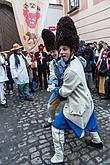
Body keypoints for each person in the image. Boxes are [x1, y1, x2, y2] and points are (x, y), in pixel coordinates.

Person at [44, 16, 103, 165]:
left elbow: (64, 92)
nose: (61, 52)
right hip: (86, 102)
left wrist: (55, 88)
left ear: (72, 49)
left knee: (56, 127)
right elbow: (54, 75)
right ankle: (97, 141)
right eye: (60, 49)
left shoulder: (72, 68)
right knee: (91, 121)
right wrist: (53, 82)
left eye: (65, 49)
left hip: (76, 106)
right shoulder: (75, 61)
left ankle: (58, 158)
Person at [42, 29, 66, 128]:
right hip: (59, 88)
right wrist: (52, 84)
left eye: (53, 51)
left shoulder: (66, 60)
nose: (52, 54)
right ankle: (52, 119)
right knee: (50, 106)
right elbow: (52, 75)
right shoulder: (52, 63)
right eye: (50, 52)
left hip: (70, 88)